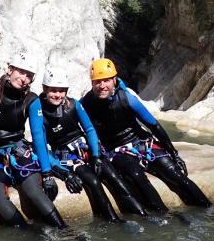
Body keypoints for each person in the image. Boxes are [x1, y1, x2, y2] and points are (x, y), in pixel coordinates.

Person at [0, 54, 79, 229]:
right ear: (10, 69)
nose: (24, 79)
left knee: (33, 191)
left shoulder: (32, 100)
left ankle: (66, 232)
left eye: (29, 75)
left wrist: (47, 173)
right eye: (21, 72)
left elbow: (38, 137)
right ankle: (28, 234)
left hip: (21, 153)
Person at [80, 58, 212, 213]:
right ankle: (164, 216)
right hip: (114, 151)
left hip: (141, 142)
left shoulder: (127, 98)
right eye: (98, 82)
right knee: (136, 176)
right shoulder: (85, 104)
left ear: (114, 80)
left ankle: (209, 210)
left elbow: (153, 125)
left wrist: (173, 153)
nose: (102, 86)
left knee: (176, 176)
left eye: (106, 81)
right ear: (92, 83)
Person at [29, 67, 148, 222]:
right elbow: (40, 145)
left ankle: (142, 215)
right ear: (45, 89)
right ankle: (114, 221)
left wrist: (96, 155)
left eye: (61, 90)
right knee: (93, 182)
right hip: (68, 157)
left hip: (86, 150)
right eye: (53, 90)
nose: (57, 95)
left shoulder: (74, 104)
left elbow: (90, 129)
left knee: (114, 178)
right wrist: (56, 173)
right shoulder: (39, 111)